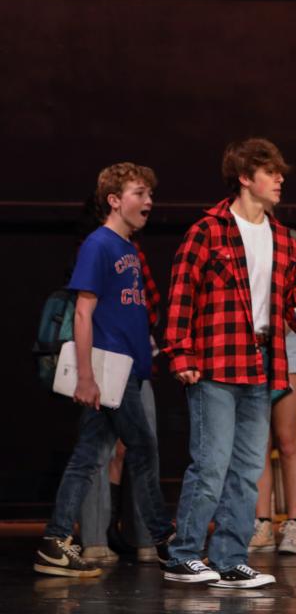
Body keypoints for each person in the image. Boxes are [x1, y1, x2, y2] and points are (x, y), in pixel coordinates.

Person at [163, 138, 296, 588]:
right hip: (216, 362)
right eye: (270, 172)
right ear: (244, 177)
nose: (279, 180)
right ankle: (184, 554)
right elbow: (181, 294)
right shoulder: (209, 230)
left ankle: (229, 558)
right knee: (212, 463)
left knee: (247, 467)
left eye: (280, 172)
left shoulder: (281, 237)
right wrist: (180, 352)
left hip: (262, 361)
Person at [34, 163, 174, 577]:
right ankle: (166, 541)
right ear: (114, 200)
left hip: (128, 367)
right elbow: (83, 312)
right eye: (138, 193)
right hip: (109, 369)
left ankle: (54, 542)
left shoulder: (129, 248)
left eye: (150, 193)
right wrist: (86, 377)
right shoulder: (99, 245)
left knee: (88, 455)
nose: (148, 201)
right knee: (144, 450)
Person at [248, 228, 296, 555]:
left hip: (289, 340)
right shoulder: (235, 235)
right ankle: (261, 523)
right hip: (252, 341)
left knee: (289, 438)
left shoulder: (292, 238)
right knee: (256, 440)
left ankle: (293, 524)